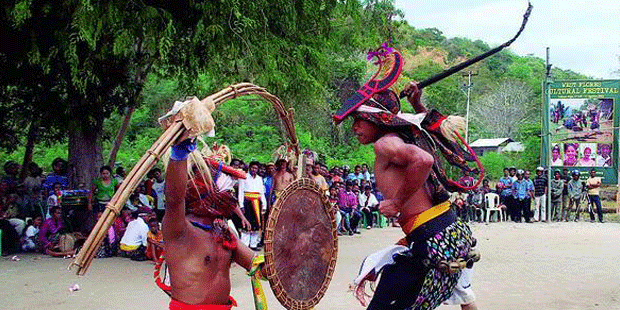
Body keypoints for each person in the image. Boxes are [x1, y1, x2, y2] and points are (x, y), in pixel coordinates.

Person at [334, 51, 475, 309]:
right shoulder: (409, 135)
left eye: (359, 120)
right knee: (458, 295)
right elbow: (426, 134)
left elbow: (424, 161)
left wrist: (397, 202)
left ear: (376, 118)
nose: (355, 128)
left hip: (433, 240)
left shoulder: (386, 143)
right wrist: (417, 104)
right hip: (447, 233)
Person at [163, 138, 260, 309]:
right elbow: (174, 199)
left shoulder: (222, 231)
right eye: (223, 181)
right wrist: (179, 156)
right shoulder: (179, 229)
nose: (230, 190)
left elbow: (258, 265)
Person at [237, 161, 267, 250]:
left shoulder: (259, 179)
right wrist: (241, 205)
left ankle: (253, 245)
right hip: (247, 202)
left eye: (256, 168)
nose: (254, 170)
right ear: (249, 168)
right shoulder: (244, 177)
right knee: (246, 224)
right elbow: (241, 192)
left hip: (257, 203)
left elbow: (261, 193)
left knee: (256, 224)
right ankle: (245, 246)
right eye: (253, 168)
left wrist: (264, 205)